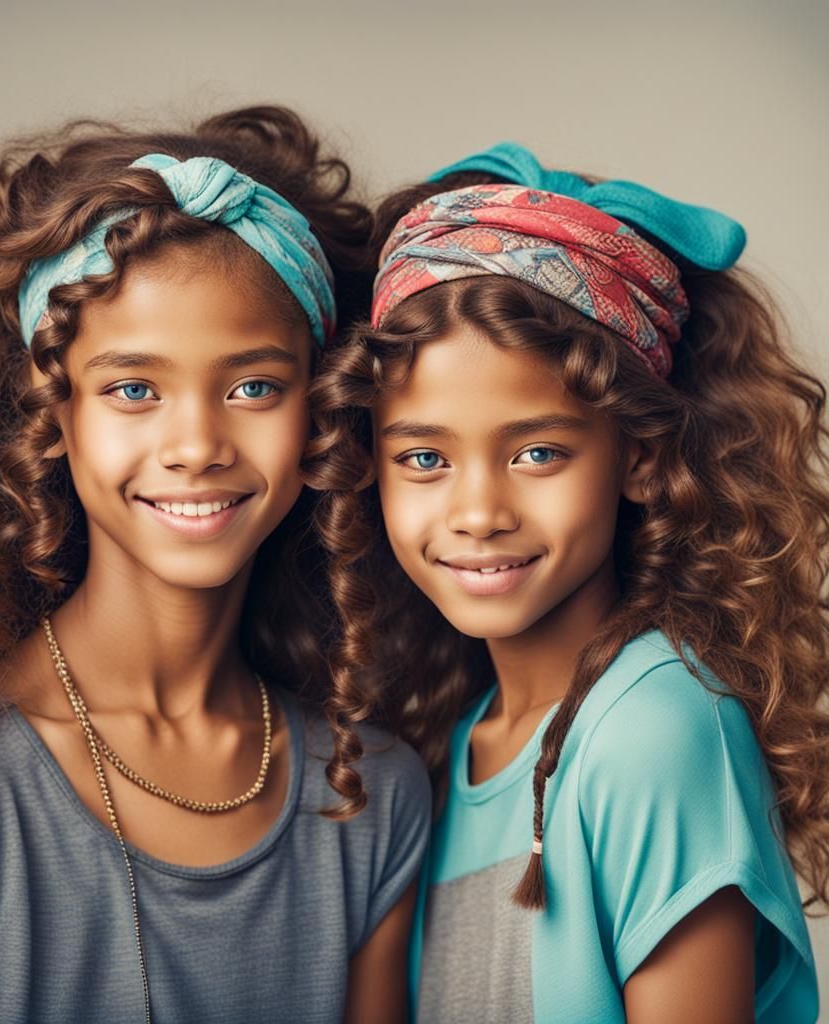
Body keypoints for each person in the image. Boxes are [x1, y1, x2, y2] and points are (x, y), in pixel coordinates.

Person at [0, 106, 431, 1024]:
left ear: (320, 410)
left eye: (252, 387)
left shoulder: (371, 792)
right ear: (51, 416)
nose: (196, 445)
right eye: (133, 390)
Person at [304, 142, 824, 1021]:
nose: (479, 511)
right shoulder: (460, 736)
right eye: (425, 457)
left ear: (642, 459)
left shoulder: (653, 728)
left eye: (537, 452)